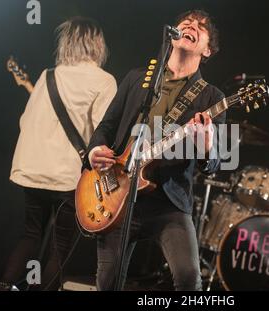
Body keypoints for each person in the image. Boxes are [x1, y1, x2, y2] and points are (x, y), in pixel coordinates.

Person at [85, 9, 225, 291]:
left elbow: (214, 163)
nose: (190, 25)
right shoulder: (138, 79)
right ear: (172, 35)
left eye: (201, 26)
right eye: (186, 21)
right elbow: (107, 126)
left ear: (208, 50)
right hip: (117, 193)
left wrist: (208, 145)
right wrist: (93, 150)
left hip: (169, 201)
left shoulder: (212, 97)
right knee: (108, 283)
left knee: (188, 279)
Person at [2, 17, 117, 290]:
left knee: (30, 236)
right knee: (59, 247)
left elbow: (25, 122)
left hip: (31, 170)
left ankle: (3, 288)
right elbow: (105, 134)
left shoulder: (47, 75)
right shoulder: (104, 81)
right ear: (98, 45)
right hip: (67, 177)